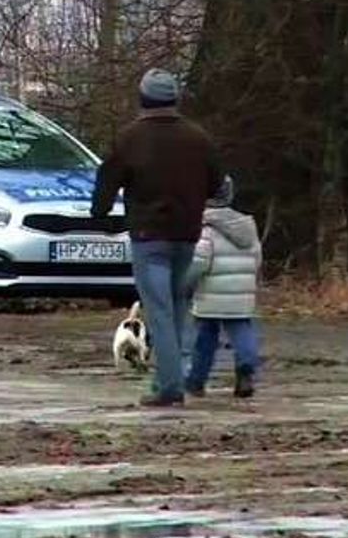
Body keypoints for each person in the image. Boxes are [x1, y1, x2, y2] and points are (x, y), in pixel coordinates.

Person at [92, 68, 223, 407]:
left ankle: (168, 386)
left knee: (159, 310)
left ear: (143, 99)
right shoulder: (199, 138)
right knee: (178, 307)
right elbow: (217, 185)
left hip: (149, 236)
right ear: (175, 99)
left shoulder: (130, 138)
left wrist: (100, 212)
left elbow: (107, 181)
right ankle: (176, 375)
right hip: (186, 234)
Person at [183, 176, 262, 399]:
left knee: (204, 339)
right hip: (241, 293)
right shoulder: (247, 225)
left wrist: (185, 284)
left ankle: (196, 380)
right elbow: (257, 257)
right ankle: (246, 367)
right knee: (242, 331)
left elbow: (199, 262)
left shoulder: (205, 226)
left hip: (210, 293)